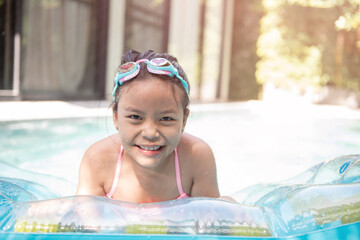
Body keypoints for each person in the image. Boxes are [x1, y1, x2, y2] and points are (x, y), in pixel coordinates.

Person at [76, 50, 220, 203]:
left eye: (166, 118)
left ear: (184, 120)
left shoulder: (196, 157)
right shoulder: (97, 160)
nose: (150, 132)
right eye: (135, 117)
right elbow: (84, 220)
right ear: (115, 116)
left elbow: (210, 220)